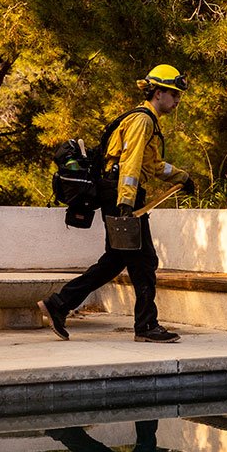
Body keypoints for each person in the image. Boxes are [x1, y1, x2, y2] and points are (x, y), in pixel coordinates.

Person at [40, 65, 203, 343]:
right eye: (174, 94)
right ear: (158, 92)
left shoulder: (145, 120)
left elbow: (152, 164)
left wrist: (182, 177)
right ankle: (146, 326)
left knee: (115, 260)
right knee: (145, 261)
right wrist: (127, 203)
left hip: (116, 194)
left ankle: (59, 304)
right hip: (122, 196)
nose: (177, 100)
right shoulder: (143, 121)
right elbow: (130, 164)